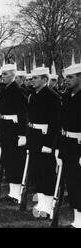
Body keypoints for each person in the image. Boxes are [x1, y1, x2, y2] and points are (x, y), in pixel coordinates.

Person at [27, 67, 61, 219]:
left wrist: (49, 144)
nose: (32, 80)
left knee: (46, 172)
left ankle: (47, 207)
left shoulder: (52, 96)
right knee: (36, 171)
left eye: (36, 78)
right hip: (34, 136)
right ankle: (41, 203)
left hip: (45, 138)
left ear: (44, 79)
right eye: (32, 78)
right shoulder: (33, 95)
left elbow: (55, 123)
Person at [0, 63, 28, 204]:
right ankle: (11, 192)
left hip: (14, 130)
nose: (2, 77)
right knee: (8, 161)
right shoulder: (5, 89)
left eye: (5, 74)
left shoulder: (18, 90)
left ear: (13, 75)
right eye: (2, 74)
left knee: (15, 162)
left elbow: (23, 114)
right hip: (5, 128)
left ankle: (16, 195)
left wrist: (22, 134)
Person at [57, 63, 81, 228]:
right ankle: (77, 219)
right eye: (66, 77)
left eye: (71, 77)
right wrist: (58, 148)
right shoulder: (66, 96)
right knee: (72, 183)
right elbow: (61, 124)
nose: (67, 81)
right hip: (67, 145)